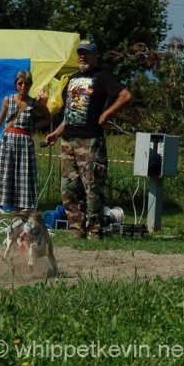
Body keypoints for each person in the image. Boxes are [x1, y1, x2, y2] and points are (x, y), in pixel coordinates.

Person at [44, 39, 133, 239]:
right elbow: (70, 113)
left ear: (94, 55)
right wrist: (56, 132)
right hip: (68, 141)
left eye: (87, 53)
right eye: (80, 53)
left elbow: (126, 95)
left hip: (90, 141)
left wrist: (107, 114)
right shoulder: (72, 79)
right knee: (68, 189)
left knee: (91, 187)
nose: (82, 56)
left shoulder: (101, 77)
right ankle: (77, 229)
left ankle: (95, 231)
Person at [0, 71, 52, 222]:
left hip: (25, 143)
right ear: (16, 84)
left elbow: (48, 118)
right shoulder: (8, 100)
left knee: (23, 177)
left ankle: (21, 214)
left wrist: (33, 126)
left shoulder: (34, 103)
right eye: (20, 83)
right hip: (7, 142)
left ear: (30, 84)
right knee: (2, 175)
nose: (23, 86)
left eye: (26, 83)